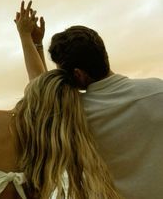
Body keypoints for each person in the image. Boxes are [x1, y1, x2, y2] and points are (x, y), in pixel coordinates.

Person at [0, 1, 123, 199]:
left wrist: (26, 36)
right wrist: (33, 42)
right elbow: (44, 90)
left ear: (32, 90)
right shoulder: (44, 136)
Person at [48, 25, 163, 199]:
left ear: (78, 75)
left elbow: (43, 96)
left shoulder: (76, 113)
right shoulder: (157, 90)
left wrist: (30, 40)